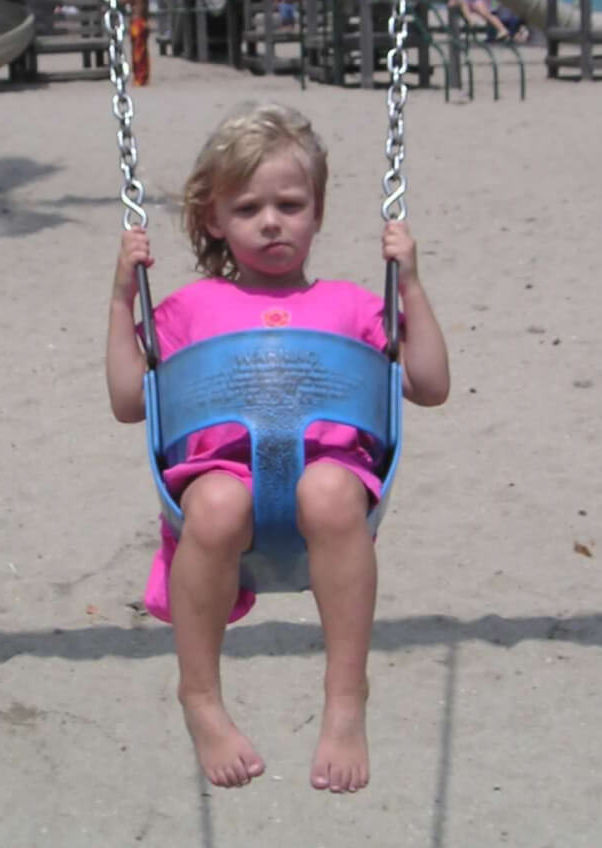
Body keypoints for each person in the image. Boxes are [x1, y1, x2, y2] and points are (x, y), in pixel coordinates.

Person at [106, 103, 450, 793]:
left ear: (317, 213)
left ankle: (346, 700)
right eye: (249, 207)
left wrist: (409, 282)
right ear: (215, 220)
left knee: (327, 492)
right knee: (218, 504)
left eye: (291, 205)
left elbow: (430, 385)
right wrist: (122, 300)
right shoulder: (187, 309)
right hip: (219, 475)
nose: (271, 221)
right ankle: (200, 696)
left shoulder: (355, 304)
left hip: (328, 478)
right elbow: (127, 402)